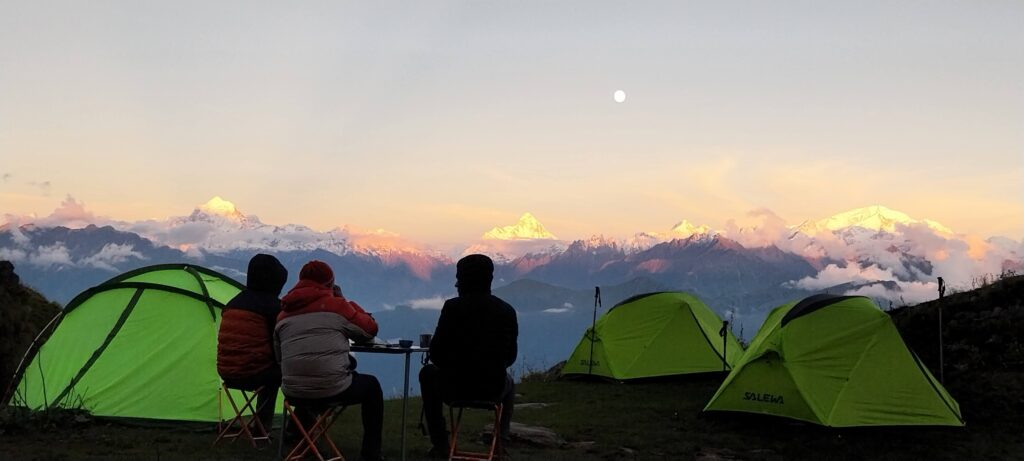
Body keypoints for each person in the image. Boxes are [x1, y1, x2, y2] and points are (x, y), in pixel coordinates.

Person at [275, 260, 384, 461]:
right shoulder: (337, 306)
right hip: (332, 387)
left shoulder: (282, 315)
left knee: (311, 382)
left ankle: (299, 442)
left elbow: (279, 358)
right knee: (372, 387)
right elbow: (370, 329)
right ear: (329, 283)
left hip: (293, 392)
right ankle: (371, 454)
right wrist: (345, 301)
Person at [419, 254, 519, 457]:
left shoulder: (452, 308)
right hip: (493, 388)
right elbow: (511, 357)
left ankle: (440, 444)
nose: (456, 283)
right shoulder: (507, 310)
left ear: (463, 280)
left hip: (454, 388)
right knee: (510, 383)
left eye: (458, 278)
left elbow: (437, 354)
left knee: (427, 374)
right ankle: (501, 443)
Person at [216, 253, 288, 431]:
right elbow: (280, 342)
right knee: (293, 373)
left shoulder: (233, 303)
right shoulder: (272, 307)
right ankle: (276, 428)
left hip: (226, 372)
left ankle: (261, 427)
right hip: (253, 373)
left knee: (270, 372)